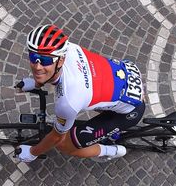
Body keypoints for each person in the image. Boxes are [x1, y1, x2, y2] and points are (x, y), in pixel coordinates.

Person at [16, 24, 146, 162]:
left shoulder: (68, 102)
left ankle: (111, 151)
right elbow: (53, 73)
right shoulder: (69, 48)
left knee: (65, 145)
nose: (37, 66)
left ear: (61, 60)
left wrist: (32, 152)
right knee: (91, 97)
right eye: (33, 57)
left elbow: (57, 137)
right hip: (122, 77)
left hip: (129, 112)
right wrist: (37, 83)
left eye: (45, 60)